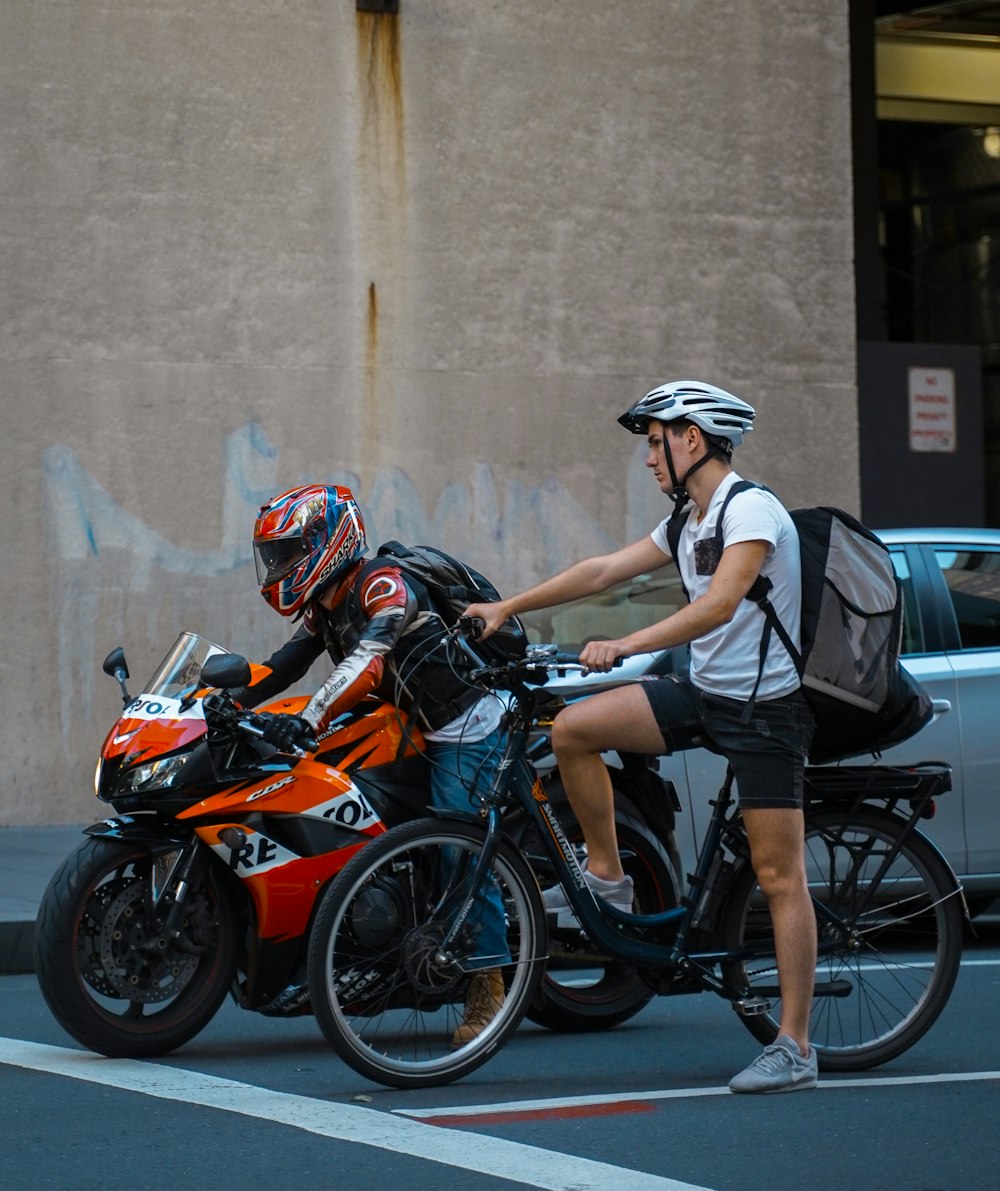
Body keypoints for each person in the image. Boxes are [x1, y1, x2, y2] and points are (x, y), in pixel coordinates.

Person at [465, 380, 819, 1094]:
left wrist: (624, 643)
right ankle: (609, 876)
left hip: (763, 711)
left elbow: (720, 604)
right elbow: (604, 570)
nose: (650, 458)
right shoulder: (689, 519)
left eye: (656, 442)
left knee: (779, 875)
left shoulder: (751, 509)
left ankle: (795, 1045)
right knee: (574, 729)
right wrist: (510, 604)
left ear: (693, 438)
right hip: (705, 694)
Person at [241, 483, 508, 1048]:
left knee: (458, 839)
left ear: (328, 543)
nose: (280, 566)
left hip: (463, 723)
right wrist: (212, 703)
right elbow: (279, 668)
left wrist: (309, 717)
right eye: (277, 556)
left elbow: (370, 660)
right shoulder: (327, 606)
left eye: (289, 553)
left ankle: (488, 982)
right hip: (406, 724)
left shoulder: (381, 583)